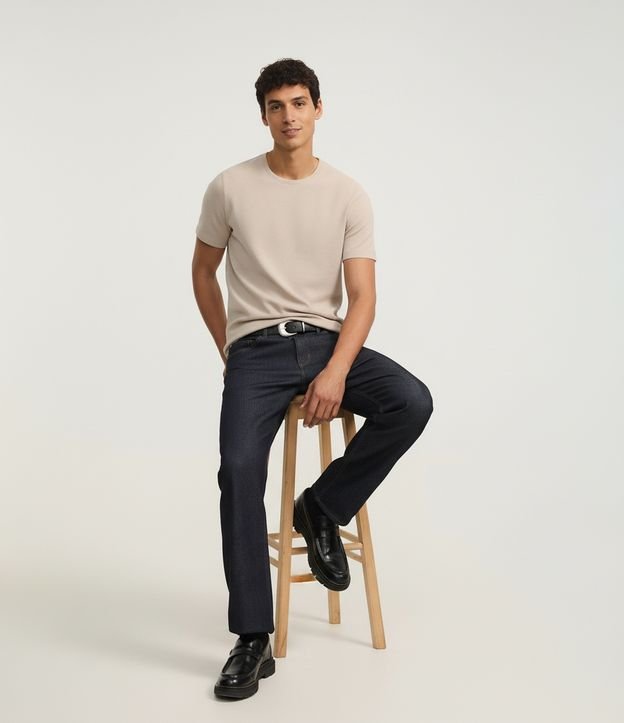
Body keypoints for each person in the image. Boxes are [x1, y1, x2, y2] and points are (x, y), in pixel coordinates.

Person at [191, 58, 434, 700]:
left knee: (411, 401)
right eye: (276, 106)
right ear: (263, 115)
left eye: (299, 103)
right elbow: (202, 273)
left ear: (318, 109)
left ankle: (321, 505)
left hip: (327, 341)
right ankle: (252, 638)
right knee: (239, 471)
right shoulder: (229, 187)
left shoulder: (347, 194)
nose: (289, 116)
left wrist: (336, 371)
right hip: (255, 350)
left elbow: (363, 298)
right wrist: (227, 348)